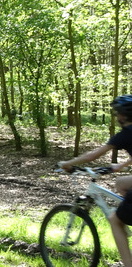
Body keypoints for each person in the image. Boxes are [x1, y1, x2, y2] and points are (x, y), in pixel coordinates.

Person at [58, 95, 132, 267]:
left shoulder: (124, 134)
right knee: (120, 184)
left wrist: (67, 163)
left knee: (114, 219)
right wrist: (121, 165)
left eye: (117, 114)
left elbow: (93, 156)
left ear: (122, 116)